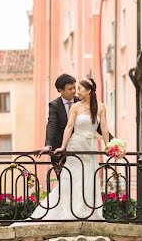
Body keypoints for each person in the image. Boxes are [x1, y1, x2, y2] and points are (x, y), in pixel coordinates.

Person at [29, 77, 111, 221]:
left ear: (89, 91)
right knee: (69, 179)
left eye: (77, 88)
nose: (75, 91)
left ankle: (87, 211)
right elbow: (57, 126)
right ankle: (68, 212)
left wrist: (111, 145)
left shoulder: (98, 107)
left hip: (90, 147)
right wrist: (58, 147)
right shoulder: (59, 105)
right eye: (71, 88)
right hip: (73, 146)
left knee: (88, 178)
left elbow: (103, 128)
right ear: (61, 90)